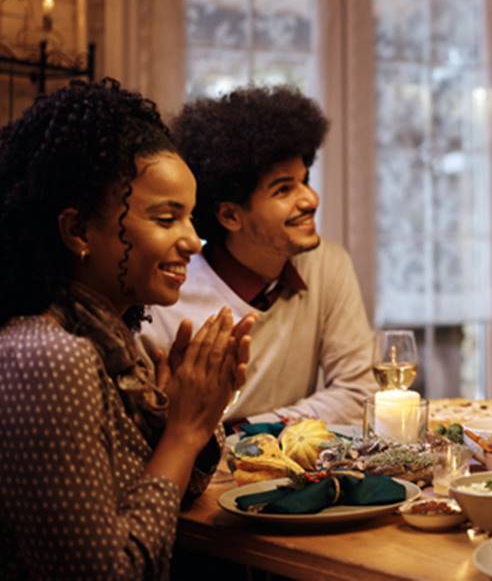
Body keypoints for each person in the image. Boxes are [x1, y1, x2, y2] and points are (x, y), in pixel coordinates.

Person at [0, 79, 252, 579]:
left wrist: (187, 415)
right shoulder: (47, 356)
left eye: (190, 217)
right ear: (77, 232)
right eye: (166, 218)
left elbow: (161, 502)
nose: (193, 242)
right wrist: (182, 432)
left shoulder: (118, 345)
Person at [142, 86, 373, 426]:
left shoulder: (328, 265)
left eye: (305, 180)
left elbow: (358, 393)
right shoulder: (164, 297)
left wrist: (249, 430)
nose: (310, 199)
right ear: (230, 216)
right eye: (283, 189)